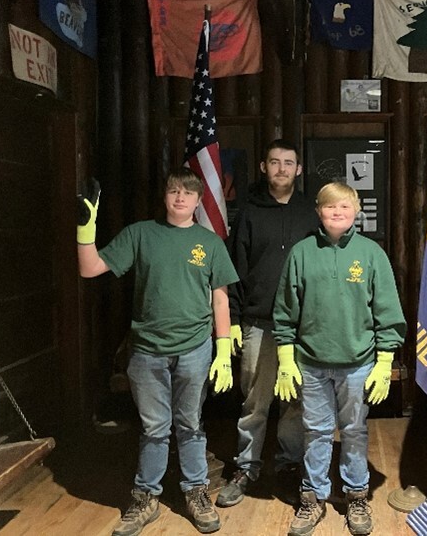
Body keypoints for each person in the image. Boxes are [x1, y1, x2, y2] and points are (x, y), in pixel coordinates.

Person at [77, 169, 239, 536]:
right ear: (165, 196)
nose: (180, 198)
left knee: (191, 425)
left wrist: (224, 349)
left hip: (195, 349)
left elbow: (220, 298)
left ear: (199, 202)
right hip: (147, 351)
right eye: (174, 191)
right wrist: (85, 229)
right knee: (154, 428)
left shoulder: (209, 243)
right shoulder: (140, 234)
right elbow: (89, 268)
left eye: (188, 193)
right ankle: (146, 498)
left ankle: (196, 493)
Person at [272, 182, 406, 536]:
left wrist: (384, 360)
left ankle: (356, 494)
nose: (337, 212)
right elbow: (286, 310)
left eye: (345, 207)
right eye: (330, 207)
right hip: (311, 362)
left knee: (354, 431)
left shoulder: (371, 254)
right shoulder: (301, 253)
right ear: (319, 210)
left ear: (356, 210)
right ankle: (312, 497)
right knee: (315, 432)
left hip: (358, 362)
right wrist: (286, 358)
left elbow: (387, 310)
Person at [216, 139, 320, 508]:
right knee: (254, 401)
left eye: (288, 163)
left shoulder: (312, 211)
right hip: (258, 322)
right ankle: (247, 467)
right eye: (274, 162)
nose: (281, 169)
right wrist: (239, 322)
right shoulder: (248, 211)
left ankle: (290, 466)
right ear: (264, 167)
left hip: (303, 326)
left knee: (295, 402)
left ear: (298, 169)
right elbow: (236, 270)